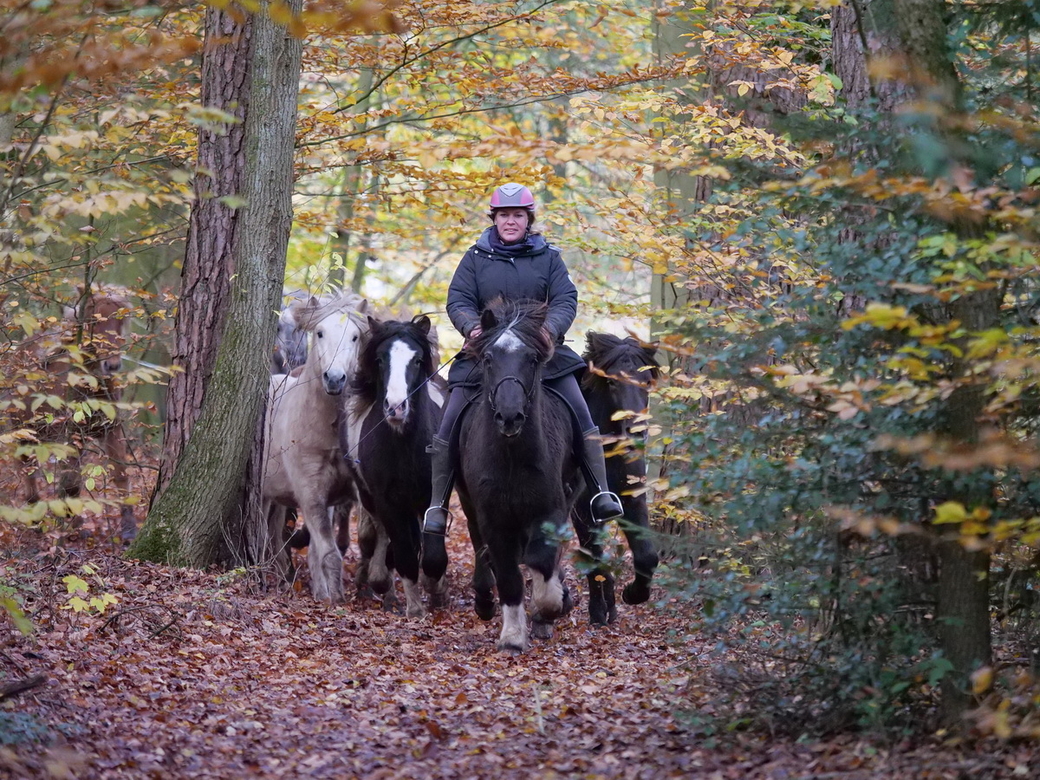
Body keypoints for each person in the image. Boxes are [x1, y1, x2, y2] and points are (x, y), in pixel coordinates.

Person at [421, 182, 623, 575]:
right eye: (503, 215)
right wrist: (470, 327)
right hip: (487, 357)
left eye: (517, 216)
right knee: (449, 423)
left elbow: (567, 298)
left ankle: (600, 493)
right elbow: (457, 299)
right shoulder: (475, 257)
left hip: (541, 355)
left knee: (583, 417)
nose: (510, 222)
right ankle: (437, 506)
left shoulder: (548, 257)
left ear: (528, 220)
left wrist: (550, 330)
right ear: (494, 219)